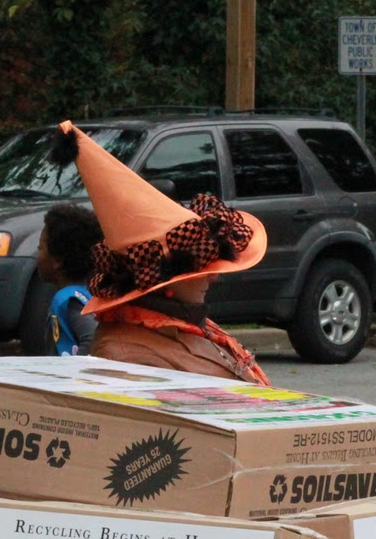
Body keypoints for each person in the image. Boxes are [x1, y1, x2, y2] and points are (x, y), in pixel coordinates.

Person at [51, 120, 271, 385]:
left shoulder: (184, 323)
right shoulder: (125, 354)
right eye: (200, 269)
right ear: (159, 281)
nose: (214, 278)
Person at [35, 203, 103, 355]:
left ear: (57, 260)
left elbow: (92, 339)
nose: (37, 255)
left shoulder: (69, 299)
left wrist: (74, 372)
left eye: (40, 248)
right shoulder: (90, 294)